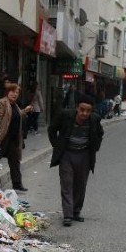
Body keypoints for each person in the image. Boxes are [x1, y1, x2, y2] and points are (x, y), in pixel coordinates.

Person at [48, 93, 104, 227]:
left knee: (80, 185)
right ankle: (67, 215)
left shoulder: (94, 119)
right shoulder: (65, 115)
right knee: (67, 184)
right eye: (82, 110)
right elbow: (51, 130)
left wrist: (95, 148)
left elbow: (100, 133)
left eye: (88, 111)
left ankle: (76, 212)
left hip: (84, 155)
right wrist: (57, 146)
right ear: (77, 108)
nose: (84, 113)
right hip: (67, 154)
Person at [0, 83, 33, 192]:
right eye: (12, 91)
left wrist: (25, 111)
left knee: (15, 162)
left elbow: (18, 115)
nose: (15, 94)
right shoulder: (1, 103)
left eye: (17, 92)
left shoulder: (14, 105)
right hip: (3, 138)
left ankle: (17, 184)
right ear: (7, 92)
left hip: (14, 139)